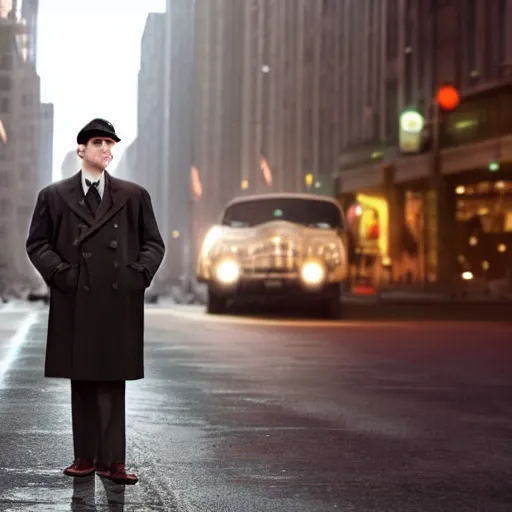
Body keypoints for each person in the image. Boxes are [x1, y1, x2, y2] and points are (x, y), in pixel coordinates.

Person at [26, 118, 165, 485]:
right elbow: (37, 243)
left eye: (110, 143)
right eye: (100, 142)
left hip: (118, 299)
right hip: (76, 297)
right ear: (81, 150)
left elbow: (154, 243)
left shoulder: (134, 195)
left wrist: (137, 275)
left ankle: (113, 462)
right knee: (83, 378)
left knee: (112, 380)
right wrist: (61, 275)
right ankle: (85, 457)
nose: (107, 149)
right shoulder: (54, 196)